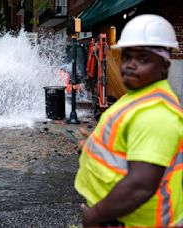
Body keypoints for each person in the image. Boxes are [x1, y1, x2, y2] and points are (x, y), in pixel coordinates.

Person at [75, 14, 183, 227]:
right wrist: (95, 146)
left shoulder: (157, 114)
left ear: (164, 65)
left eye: (143, 59)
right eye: (127, 57)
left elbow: (140, 186)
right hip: (120, 215)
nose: (131, 65)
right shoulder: (138, 96)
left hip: (139, 221)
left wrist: (95, 214)